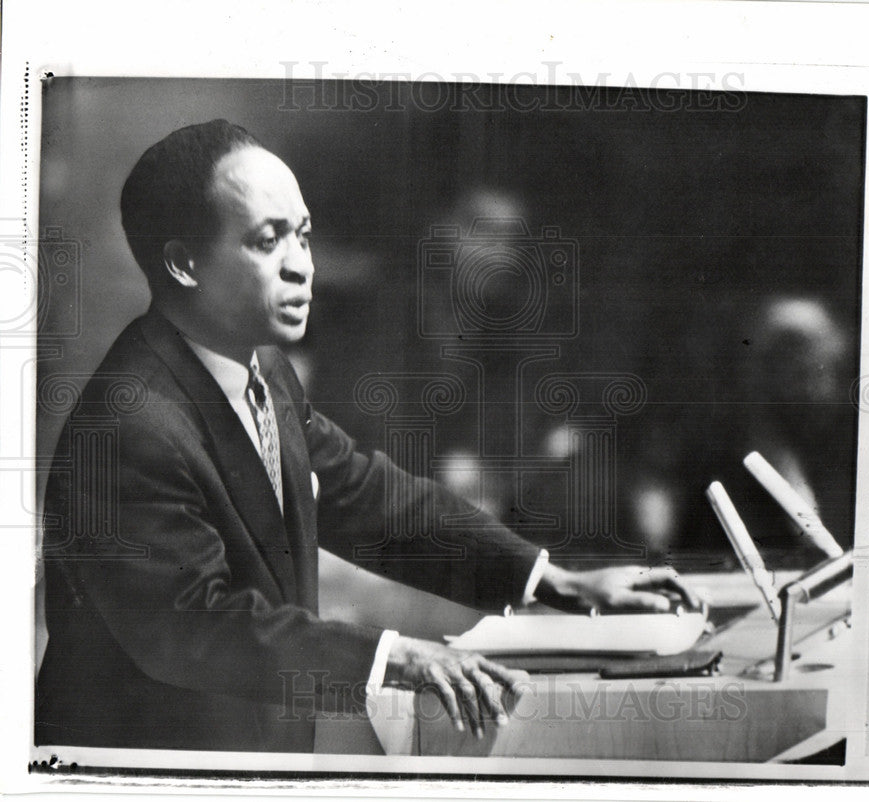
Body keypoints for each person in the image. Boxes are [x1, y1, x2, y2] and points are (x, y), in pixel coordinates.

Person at [36, 119, 697, 753]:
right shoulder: (131, 425)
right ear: (183, 265)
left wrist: (555, 582)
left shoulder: (259, 367)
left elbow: (366, 498)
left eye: (304, 234)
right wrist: (393, 656)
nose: (303, 266)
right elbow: (198, 627)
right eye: (268, 242)